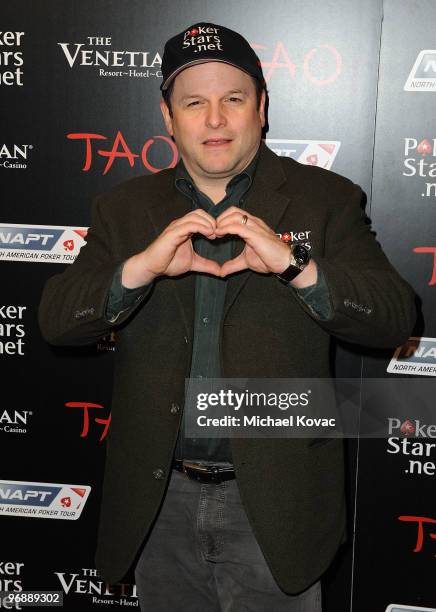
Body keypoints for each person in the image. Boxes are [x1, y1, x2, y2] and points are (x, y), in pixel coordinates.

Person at [38, 22, 416, 612]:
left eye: (233, 99)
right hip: (159, 502)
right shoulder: (125, 209)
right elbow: (57, 322)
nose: (214, 119)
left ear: (261, 108)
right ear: (169, 117)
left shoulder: (326, 200)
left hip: (277, 506)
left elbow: (394, 319)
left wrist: (298, 267)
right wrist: (137, 271)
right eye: (194, 102)